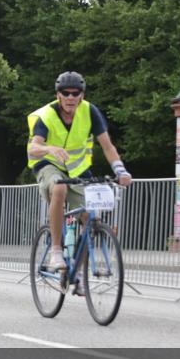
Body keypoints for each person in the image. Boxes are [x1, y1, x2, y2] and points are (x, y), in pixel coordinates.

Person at [27, 71, 132, 273]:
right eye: (65, 93)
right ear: (58, 95)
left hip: (77, 168)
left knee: (91, 219)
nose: (70, 98)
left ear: (82, 95)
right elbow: (34, 148)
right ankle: (56, 251)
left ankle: (79, 274)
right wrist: (50, 149)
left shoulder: (90, 112)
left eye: (75, 93)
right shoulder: (46, 116)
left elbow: (108, 147)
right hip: (48, 164)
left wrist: (121, 171)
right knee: (59, 189)